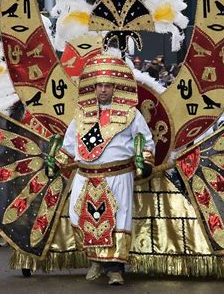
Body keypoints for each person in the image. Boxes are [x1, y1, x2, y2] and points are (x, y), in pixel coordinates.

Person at [59, 54, 155, 285]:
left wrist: (145, 161)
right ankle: (95, 262)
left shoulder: (132, 114)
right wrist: (57, 161)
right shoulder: (81, 114)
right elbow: (69, 144)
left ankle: (115, 270)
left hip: (118, 176)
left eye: (107, 85)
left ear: (116, 88)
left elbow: (146, 141)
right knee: (82, 218)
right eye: (99, 85)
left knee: (118, 221)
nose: (102, 90)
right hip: (85, 176)